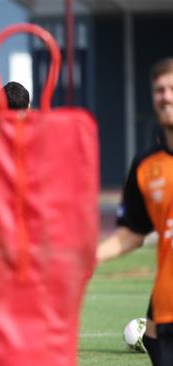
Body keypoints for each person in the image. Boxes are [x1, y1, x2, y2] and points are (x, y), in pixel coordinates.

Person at [97, 57, 173, 366]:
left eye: (172, 88)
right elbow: (131, 233)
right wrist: (88, 258)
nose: (165, 96)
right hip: (168, 312)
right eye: (159, 90)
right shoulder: (146, 166)